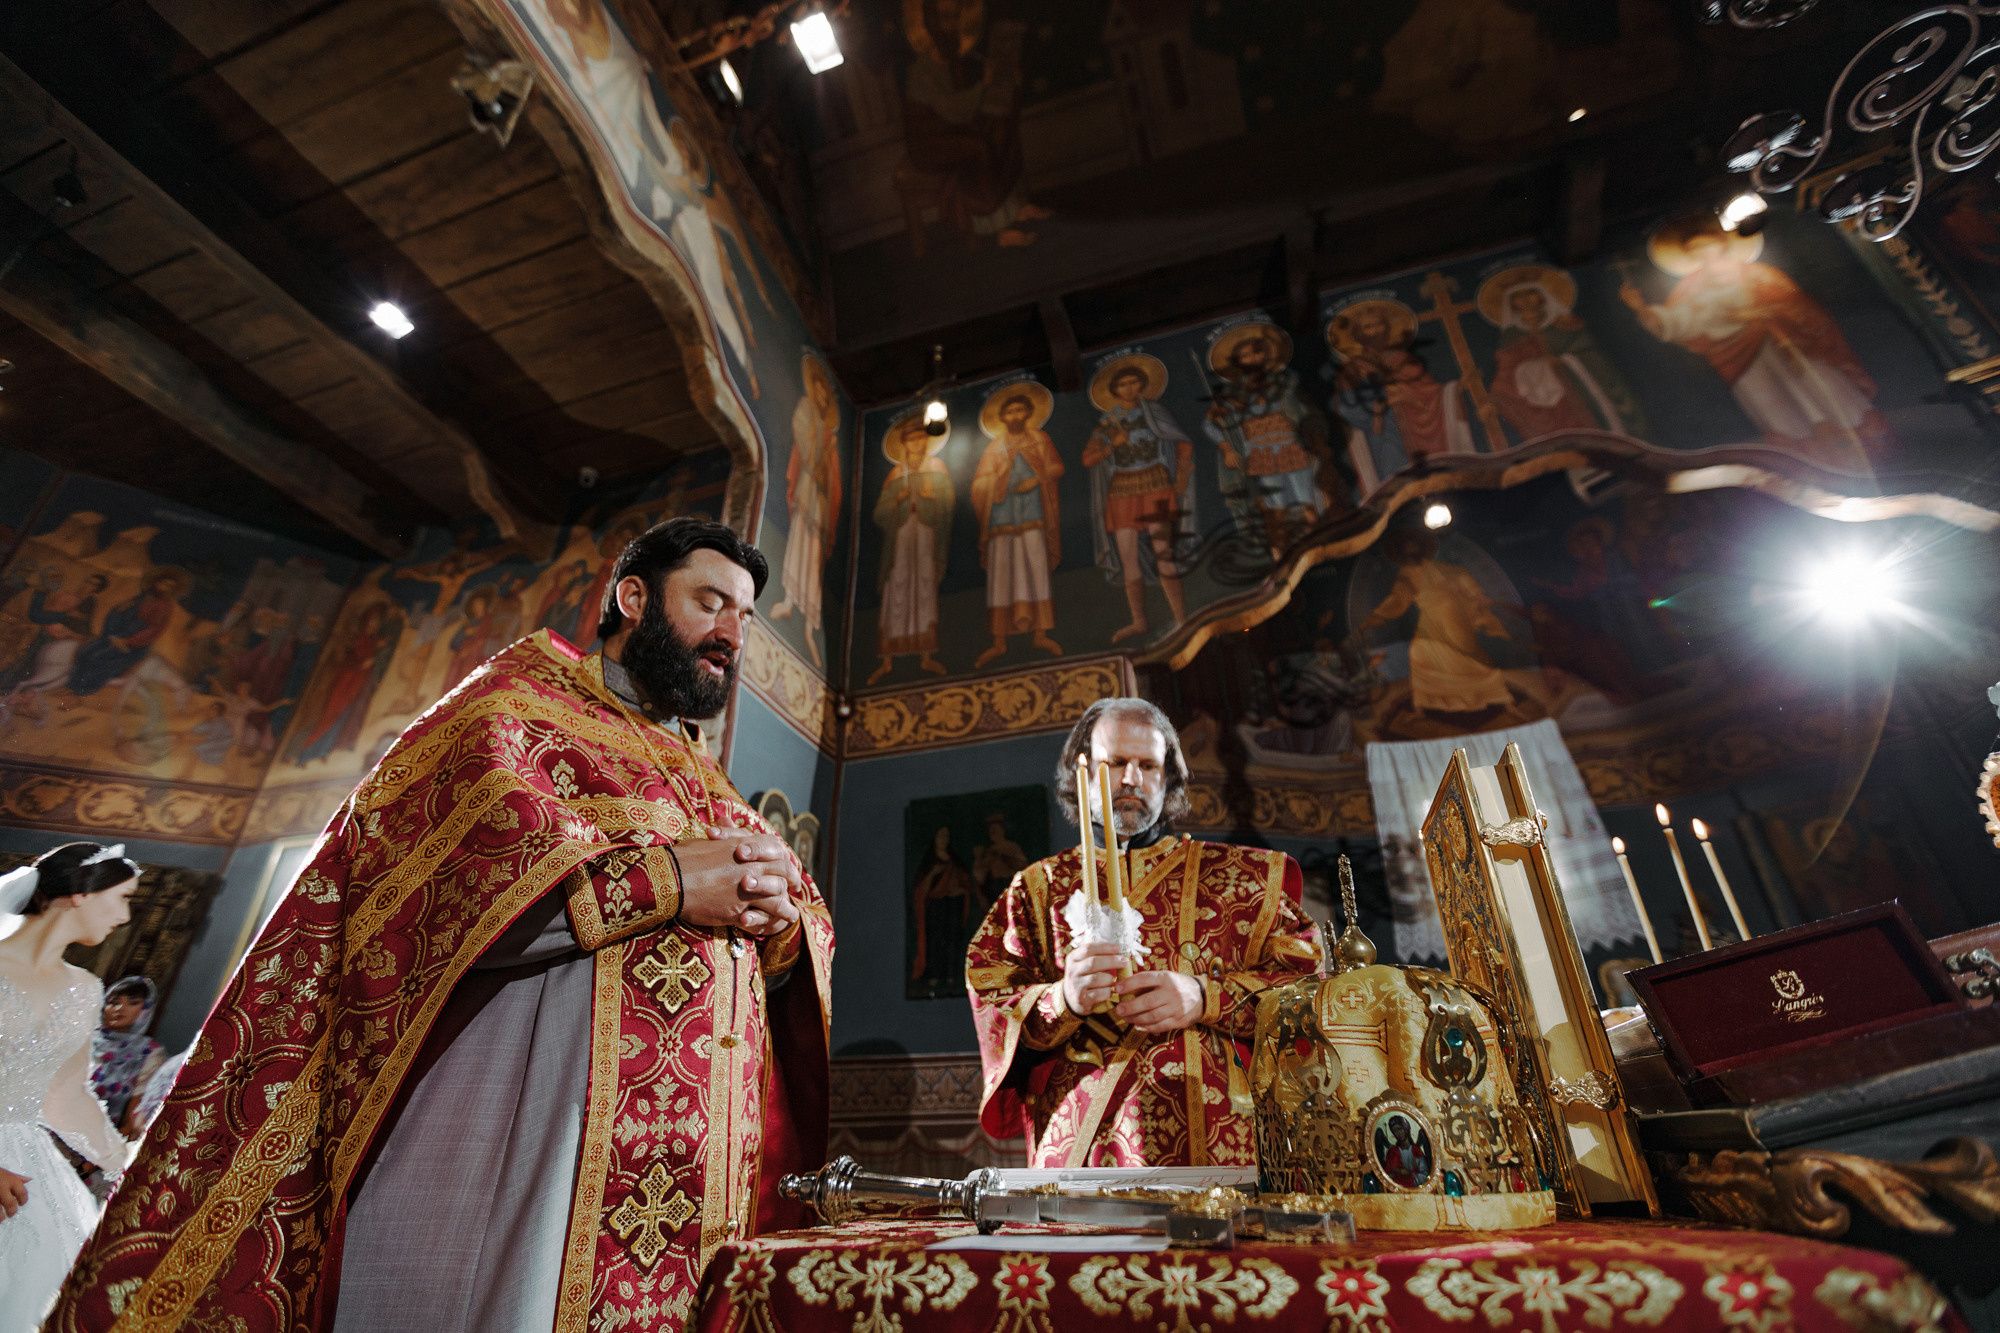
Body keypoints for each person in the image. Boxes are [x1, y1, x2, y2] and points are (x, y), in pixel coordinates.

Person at [50, 519, 834, 1333]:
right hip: (522, 1142)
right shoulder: (511, 709)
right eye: (711, 603)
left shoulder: (702, 774)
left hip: (689, 1174)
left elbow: (792, 919)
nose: (730, 635)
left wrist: (782, 926)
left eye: (743, 618)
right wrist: (664, 880)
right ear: (634, 597)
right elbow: (436, 899)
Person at [966, 699, 1320, 1166]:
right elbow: (993, 995)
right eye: (1115, 763)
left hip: (1219, 1147)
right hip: (1080, 1152)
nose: (1131, 778)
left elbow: (1304, 991)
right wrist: (1063, 999)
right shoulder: (1035, 890)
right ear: (1084, 773)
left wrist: (1202, 996)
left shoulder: (1245, 878)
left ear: (1167, 778)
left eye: (1148, 765)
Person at [0, 842, 140, 1333]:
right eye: (122, 898)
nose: (124, 916)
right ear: (83, 893)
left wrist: (131, 1163)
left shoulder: (84, 989)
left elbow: (64, 1096)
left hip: (30, 1165)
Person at [1083, 359, 1197, 644]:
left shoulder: (1154, 412)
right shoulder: (1109, 421)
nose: (1129, 388)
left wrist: (1181, 473)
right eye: (1123, 384)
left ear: (1143, 385)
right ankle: (1139, 622)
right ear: (1115, 389)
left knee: (1164, 553)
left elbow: (1183, 441)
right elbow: (1089, 458)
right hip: (1122, 489)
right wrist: (1113, 445)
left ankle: (1182, 618)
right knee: (1128, 558)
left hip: (1156, 484)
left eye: (1134, 382)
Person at [970, 387, 1064, 668]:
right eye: (1010, 411)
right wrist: (998, 476)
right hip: (1002, 518)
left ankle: (1040, 634)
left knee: (1036, 568)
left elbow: (1056, 467)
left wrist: (1036, 480)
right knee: (1002, 575)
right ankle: (999, 642)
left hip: (1033, 512)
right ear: (1003, 417)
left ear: (1028, 412)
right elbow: (978, 485)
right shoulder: (994, 447)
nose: (1015, 415)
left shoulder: (1038, 438)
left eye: (1020, 410)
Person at [869, 415, 955, 683]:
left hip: (926, 537)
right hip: (900, 543)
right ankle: (887, 660)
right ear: (904, 443)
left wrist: (934, 498)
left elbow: (950, 504)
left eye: (920, 438)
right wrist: (897, 502)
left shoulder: (937, 468)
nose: (916, 443)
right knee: (897, 588)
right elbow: (879, 513)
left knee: (924, 587)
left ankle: (926, 656)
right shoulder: (896, 474)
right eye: (910, 439)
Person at [89, 976, 165, 1139]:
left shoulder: (149, 1054)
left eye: (133, 1002)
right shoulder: (85, 1038)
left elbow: (132, 1119)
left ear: (146, 1008)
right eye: (114, 1002)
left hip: (98, 1146)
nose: (120, 1008)